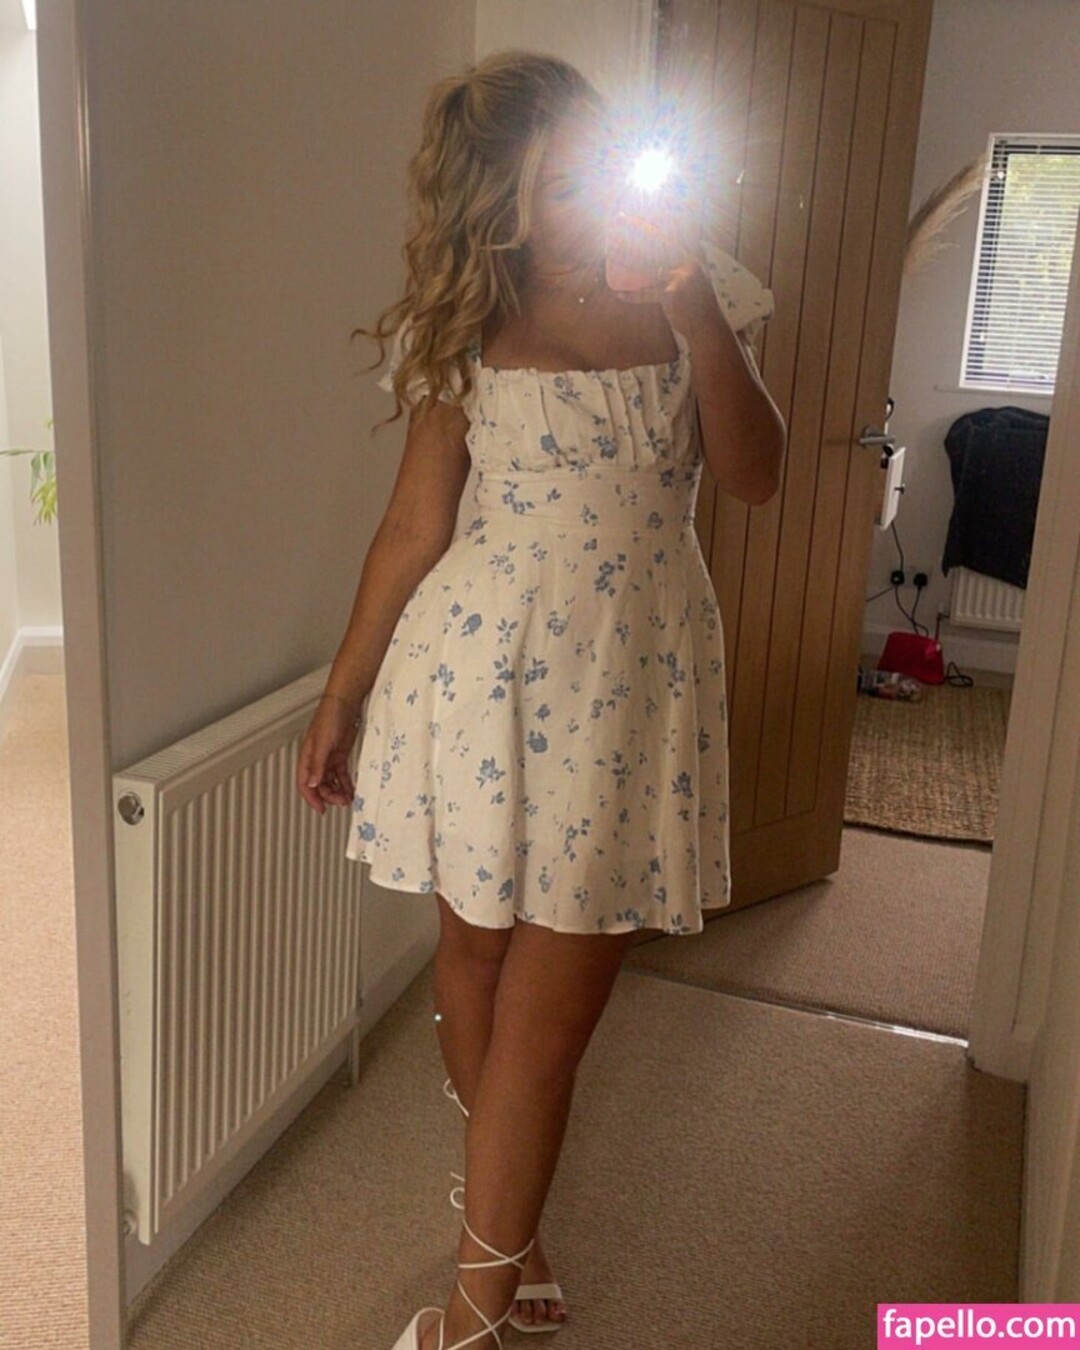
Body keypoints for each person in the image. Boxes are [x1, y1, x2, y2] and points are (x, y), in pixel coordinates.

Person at [296, 49, 785, 1350]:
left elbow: (756, 475)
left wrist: (692, 306)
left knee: (548, 1019)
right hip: (475, 676)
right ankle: (510, 1238)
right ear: (500, 199)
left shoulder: (701, 282)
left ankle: (472, 1307)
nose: (588, 201)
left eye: (597, 166)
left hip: (628, 687)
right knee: (473, 960)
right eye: (555, 185)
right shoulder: (470, 317)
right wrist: (342, 693)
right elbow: (414, 527)